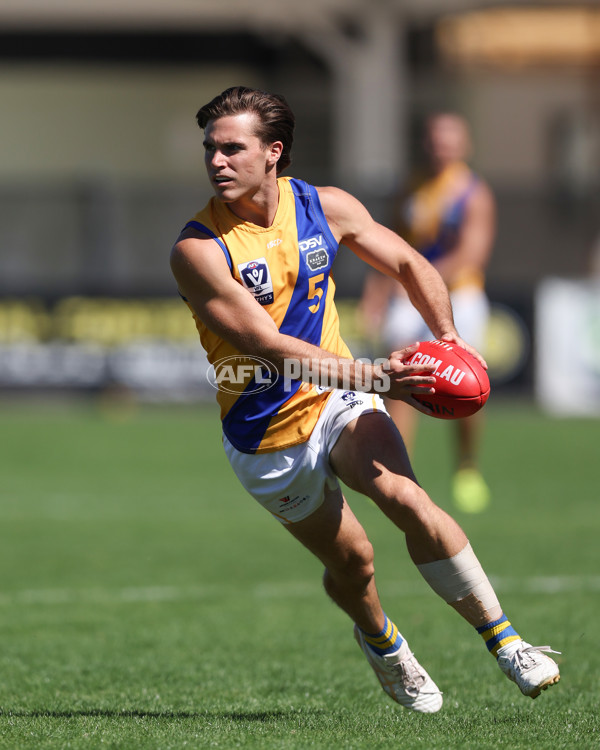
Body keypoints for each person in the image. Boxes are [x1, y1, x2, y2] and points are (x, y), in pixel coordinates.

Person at [170, 87, 560, 713]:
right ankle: (384, 644)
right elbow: (270, 348)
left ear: (274, 153)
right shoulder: (197, 250)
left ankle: (507, 640)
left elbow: (410, 262)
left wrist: (449, 338)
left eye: (232, 148)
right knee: (355, 563)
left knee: (408, 498)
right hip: (265, 436)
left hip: (335, 400)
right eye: (211, 150)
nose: (217, 161)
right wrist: (380, 376)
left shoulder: (325, 206)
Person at [359, 112, 495, 513]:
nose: (442, 147)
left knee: (471, 389)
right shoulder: (412, 187)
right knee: (401, 381)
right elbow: (391, 245)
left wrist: (423, 281)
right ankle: (401, 474)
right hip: (407, 298)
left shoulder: (474, 192)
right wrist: (378, 291)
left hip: (462, 298)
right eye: (436, 139)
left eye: (450, 140)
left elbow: (473, 253)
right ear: (426, 143)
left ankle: (467, 467)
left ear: (464, 146)